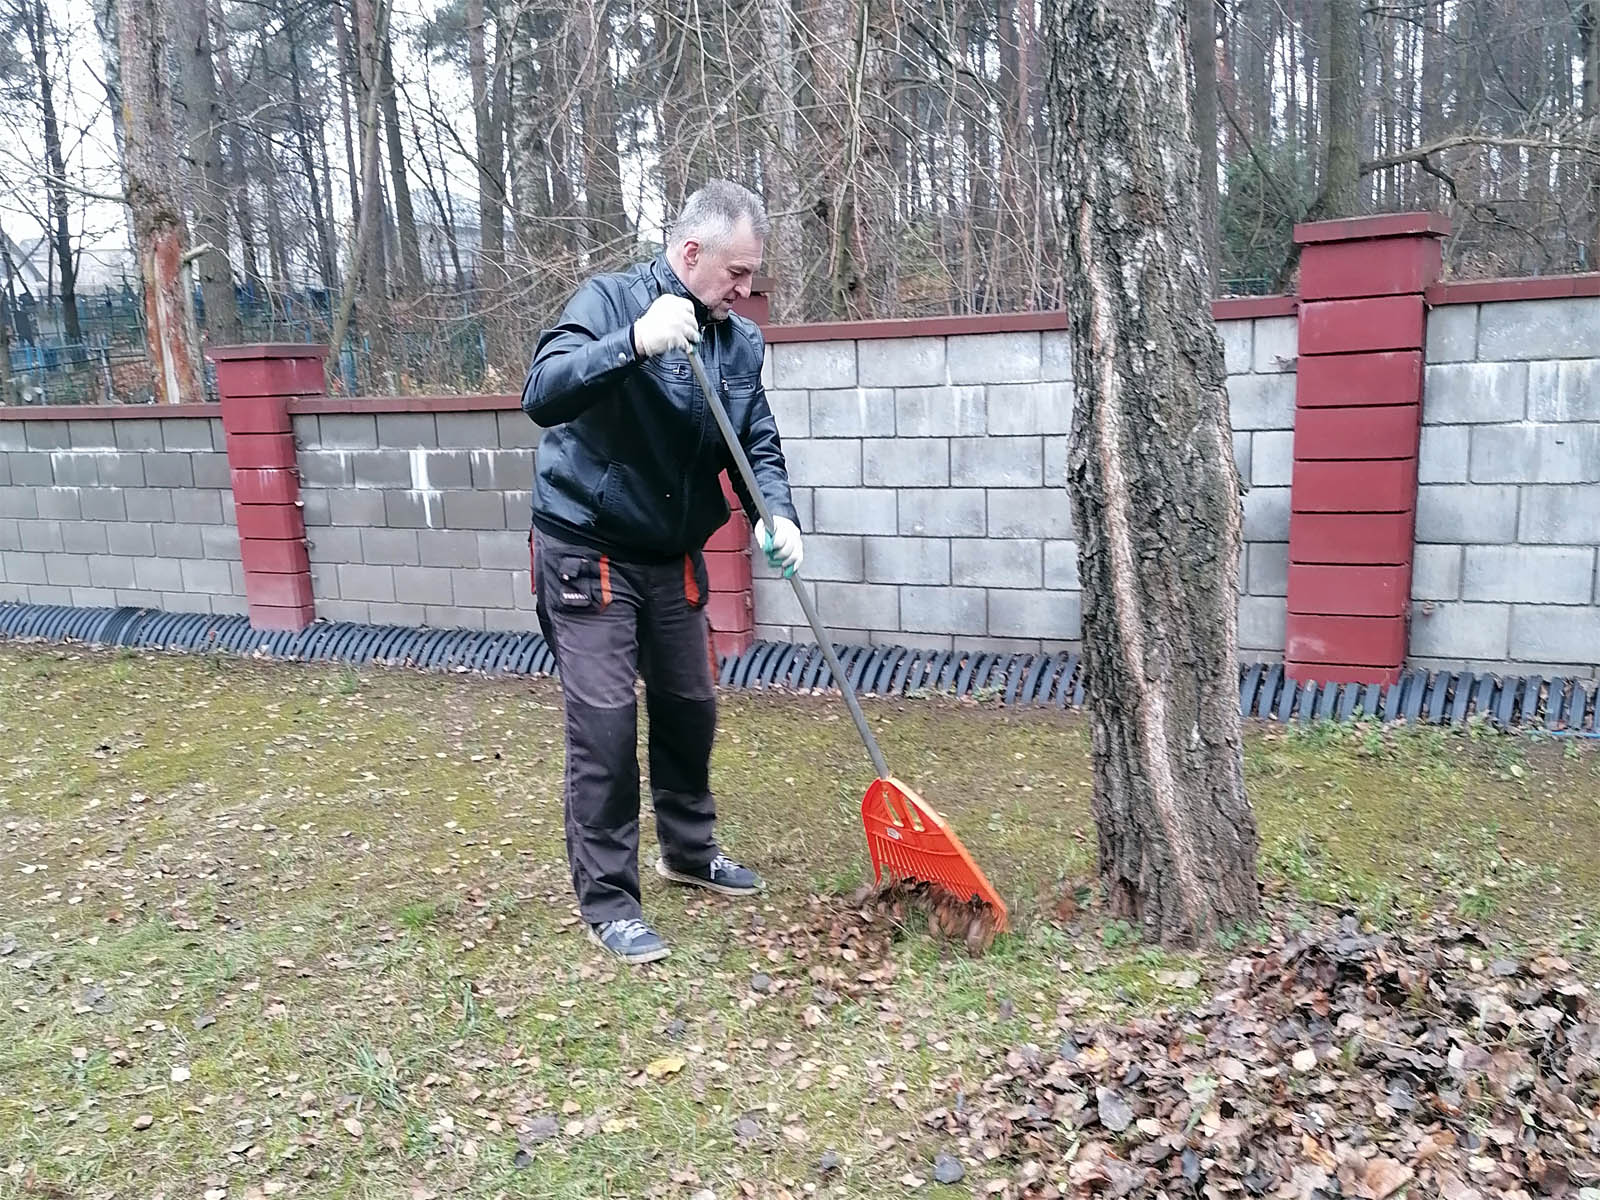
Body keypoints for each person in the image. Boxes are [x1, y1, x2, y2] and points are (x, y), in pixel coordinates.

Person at [521, 180, 805, 965]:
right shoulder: (610, 302)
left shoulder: (737, 342)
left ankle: (689, 849)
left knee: (689, 707)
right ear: (691, 251)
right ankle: (610, 902)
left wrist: (775, 513)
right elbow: (542, 392)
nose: (745, 288)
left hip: (670, 555)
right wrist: (633, 343)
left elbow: (755, 440)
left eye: (751, 274)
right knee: (606, 726)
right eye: (736, 272)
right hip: (587, 550)